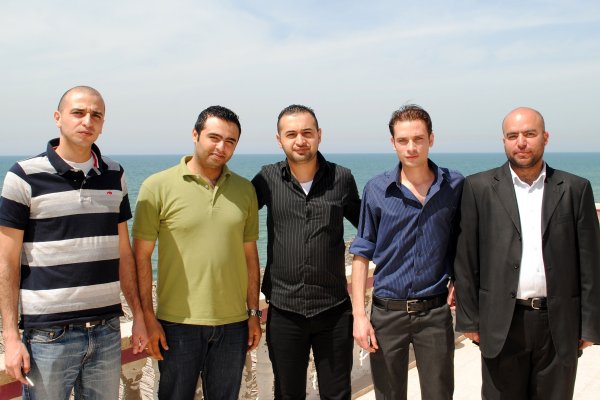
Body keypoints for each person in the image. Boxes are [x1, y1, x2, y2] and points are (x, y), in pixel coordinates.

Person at [0, 86, 148, 399]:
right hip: (48, 337)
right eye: (78, 113)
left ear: (103, 123)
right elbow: (6, 262)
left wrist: (138, 317)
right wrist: (10, 337)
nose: (87, 121)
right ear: (58, 118)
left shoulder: (115, 174)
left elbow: (123, 253)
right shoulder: (23, 176)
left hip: (107, 331)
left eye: (96, 115)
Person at [454, 107, 600, 399]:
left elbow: (591, 263)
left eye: (529, 134)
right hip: (501, 323)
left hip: (558, 324)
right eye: (513, 136)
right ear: (504, 141)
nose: (521, 142)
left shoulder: (575, 189)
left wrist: (590, 325)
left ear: (545, 137)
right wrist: (469, 320)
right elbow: (466, 258)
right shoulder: (478, 188)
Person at [132, 105, 261, 400]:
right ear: (195, 135)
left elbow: (250, 258)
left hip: (233, 325)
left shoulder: (245, 190)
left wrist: (253, 313)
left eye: (230, 141)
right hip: (177, 324)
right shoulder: (157, 186)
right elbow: (141, 258)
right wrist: (148, 317)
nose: (221, 147)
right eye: (214, 137)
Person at [351, 104, 463, 400]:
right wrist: (359, 316)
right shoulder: (376, 189)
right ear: (393, 143)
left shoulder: (455, 185)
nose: (411, 147)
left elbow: (462, 240)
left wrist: (459, 280)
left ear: (431, 139)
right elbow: (361, 253)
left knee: (439, 395)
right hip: (387, 315)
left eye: (418, 139)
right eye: (403, 140)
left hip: (435, 313)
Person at [251, 104, 360, 399]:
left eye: (307, 133)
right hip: (284, 310)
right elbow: (234, 216)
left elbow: (368, 228)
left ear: (319, 135)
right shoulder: (267, 178)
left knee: (337, 394)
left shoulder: (342, 178)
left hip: (334, 309)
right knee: (287, 394)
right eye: (291, 134)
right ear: (279, 140)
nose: (300, 140)